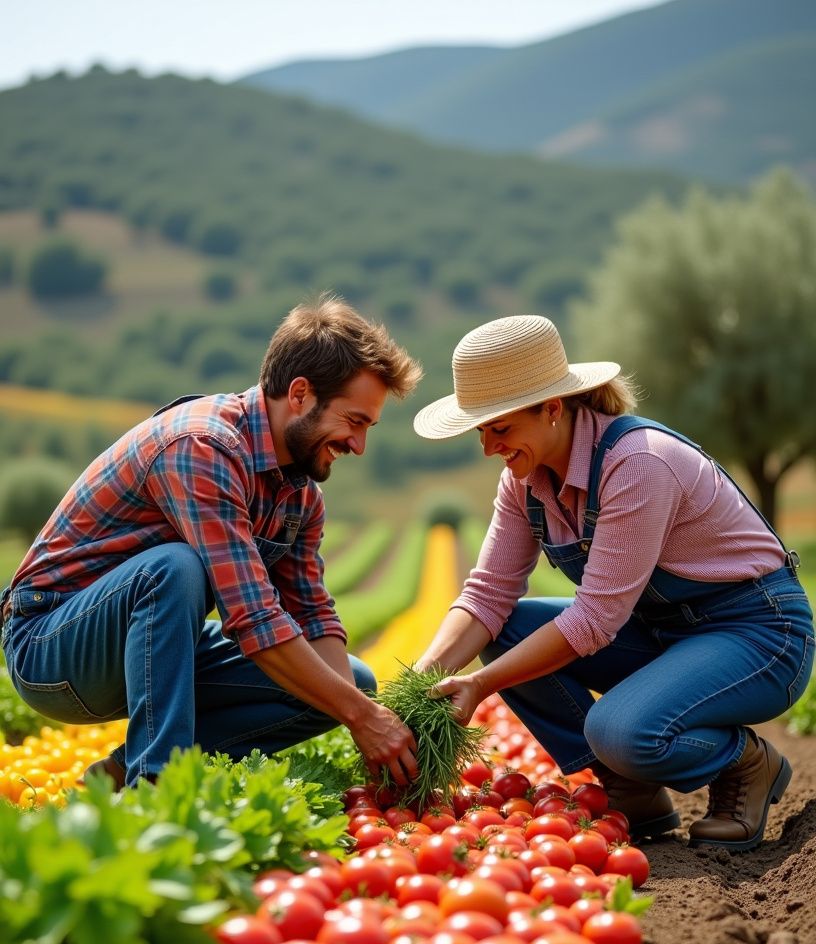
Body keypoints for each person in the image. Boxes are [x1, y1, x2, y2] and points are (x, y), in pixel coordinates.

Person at [413, 314, 814, 851]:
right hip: (662, 633)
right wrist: (416, 686)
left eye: (500, 428)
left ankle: (744, 765)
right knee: (504, 626)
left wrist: (480, 686)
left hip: (758, 635)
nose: (489, 447)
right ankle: (632, 790)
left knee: (618, 731)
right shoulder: (525, 480)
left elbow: (595, 620)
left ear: (552, 408)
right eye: (481, 431)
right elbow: (487, 592)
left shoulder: (637, 462)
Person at [0, 296, 423, 790]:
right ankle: (155, 786)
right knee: (172, 568)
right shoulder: (201, 445)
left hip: (156, 651)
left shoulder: (300, 497)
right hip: (53, 648)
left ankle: (117, 773)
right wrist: (360, 717)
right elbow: (253, 616)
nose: (358, 445)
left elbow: (312, 616)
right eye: (354, 421)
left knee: (353, 682)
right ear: (301, 394)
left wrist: (359, 712)